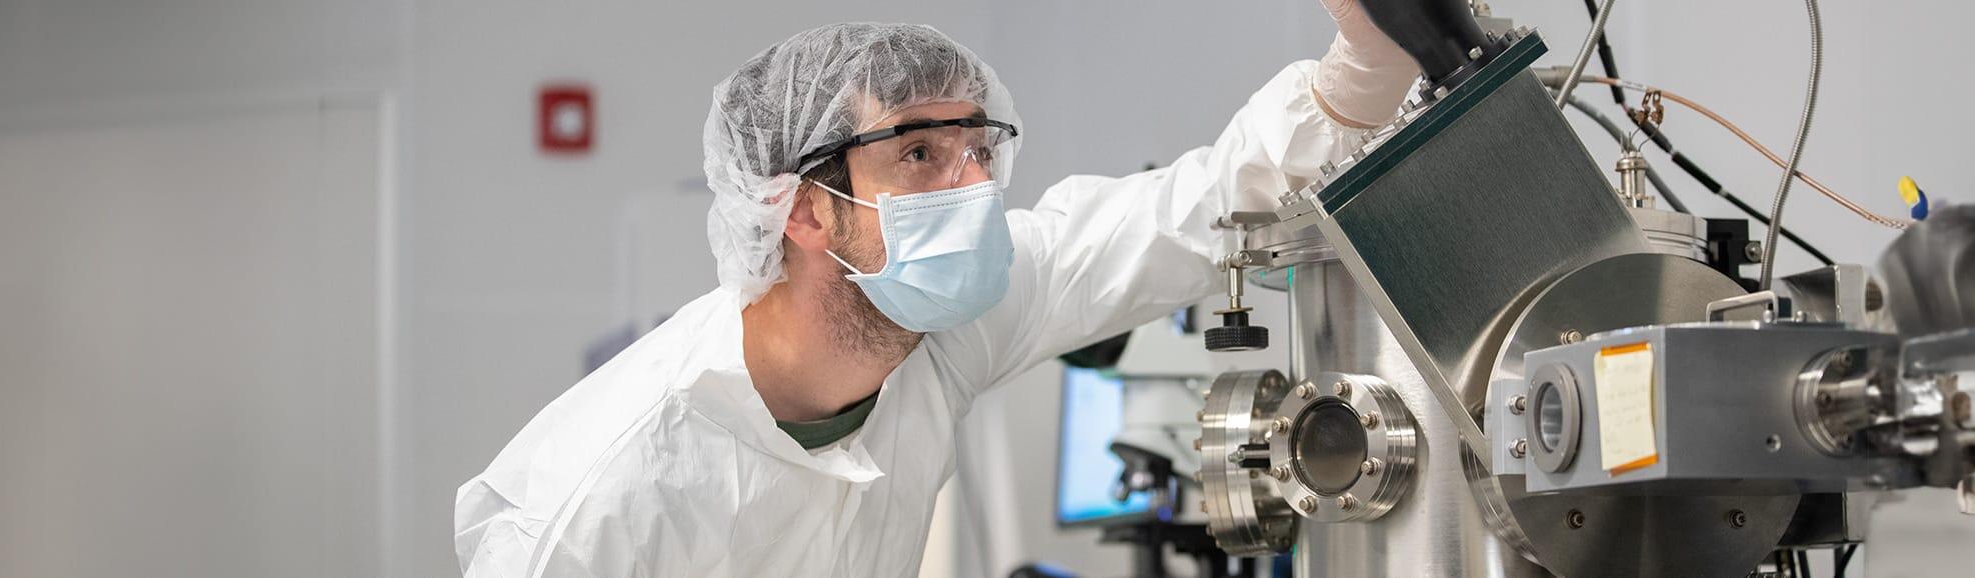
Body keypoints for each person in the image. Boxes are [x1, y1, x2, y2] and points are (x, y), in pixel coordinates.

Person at [453, 2, 1421, 576]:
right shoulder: (609, 499)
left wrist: (1364, 68)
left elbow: (1188, 209)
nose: (971, 187)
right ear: (799, 205)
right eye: (918, 152)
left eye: (974, 146)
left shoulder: (935, 326)